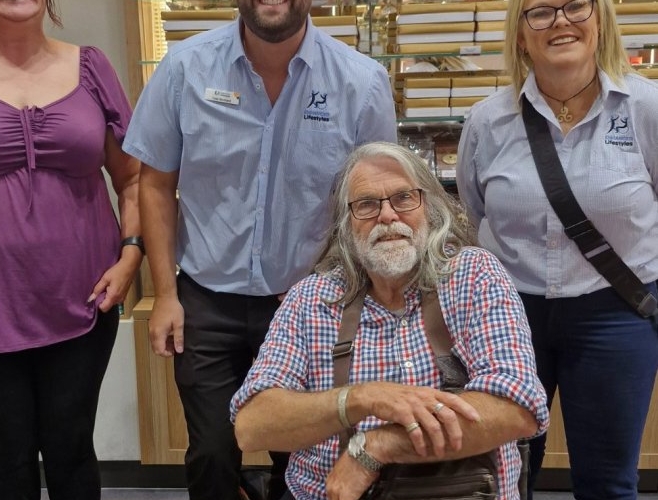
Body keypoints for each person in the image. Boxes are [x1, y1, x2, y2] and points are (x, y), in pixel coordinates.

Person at [121, 0, 397, 497]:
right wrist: (165, 294)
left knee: (305, 455)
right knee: (211, 453)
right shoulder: (185, 67)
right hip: (206, 300)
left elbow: (373, 202)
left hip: (310, 306)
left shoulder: (362, 81)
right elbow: (156, 184)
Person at [231, 141, 549, 500]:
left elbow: (517, 409)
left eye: (403, 198)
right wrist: (360, 399)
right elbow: (252, 426)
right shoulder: (311, 299)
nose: (387, 216)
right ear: (345, 225)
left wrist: (376, 447)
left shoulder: (473, 275)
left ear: (428, 207)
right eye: (366, 205)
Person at [0, 1, 142, 499]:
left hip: (85, 298)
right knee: (8, 456)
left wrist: (131, 254)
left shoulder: (92, 67)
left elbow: (132, 177)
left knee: (71, 450)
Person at [455, 0, 658, 497]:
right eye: (540, 11)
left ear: (600, 20)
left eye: (575, 6)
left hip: (617, 313)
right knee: (504, 471)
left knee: (608, 483)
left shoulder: (647, 108)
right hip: (509, 317)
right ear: (521, 35)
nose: (561, 21)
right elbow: (474, 214)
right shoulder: (486, 122)